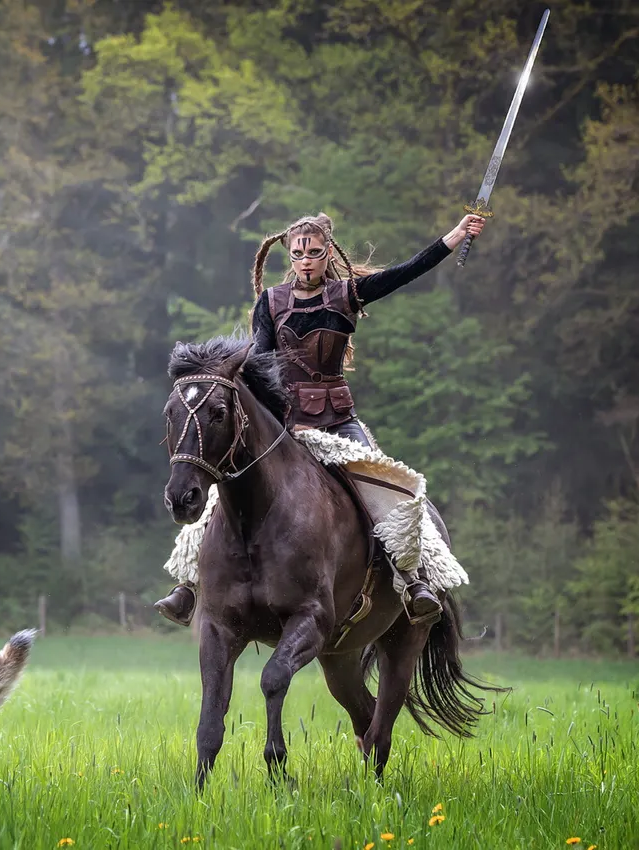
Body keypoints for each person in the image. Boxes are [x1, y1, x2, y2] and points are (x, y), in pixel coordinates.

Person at [154, 211, 487, 627]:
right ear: (290, 257)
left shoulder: (348, 294)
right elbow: (261, 367)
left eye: (313, 252)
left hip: (339, 421)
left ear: (327, 251)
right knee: (224, 490)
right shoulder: (270, 302)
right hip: (287, 424)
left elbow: (407, 271)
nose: (305, 260)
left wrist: (455, 235)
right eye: (298, 254)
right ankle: (188, 584)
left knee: (386, 492)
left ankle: (413, 579)